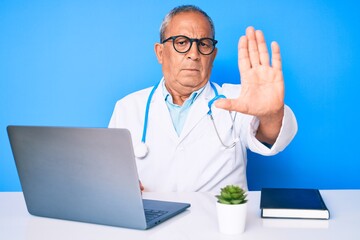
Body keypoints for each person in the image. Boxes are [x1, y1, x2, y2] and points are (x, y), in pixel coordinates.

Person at [109, 5, 297, 192]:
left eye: (204, 44)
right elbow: (111, 176)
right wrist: (121, 187)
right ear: (160, 52)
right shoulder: (127, 107)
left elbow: (269, 136)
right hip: (151, 218)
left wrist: (271, 114)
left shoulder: (237, 100)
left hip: (220, 220)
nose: (194, 54)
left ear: (213, 55)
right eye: (181, 42)